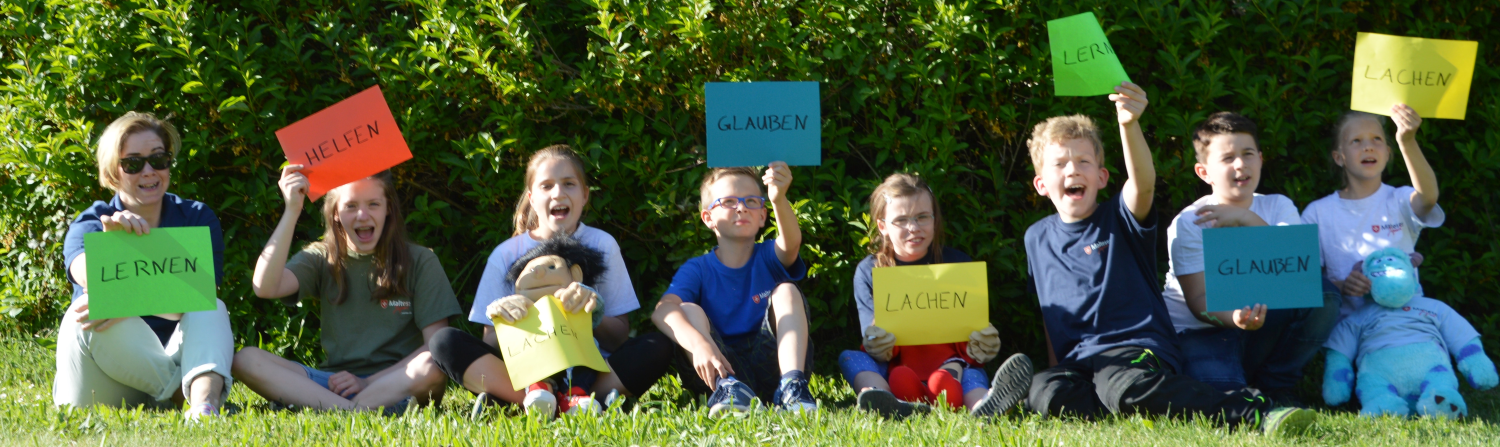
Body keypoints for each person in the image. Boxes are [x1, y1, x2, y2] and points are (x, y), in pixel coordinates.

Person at [1022, 83, 1315, 434]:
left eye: (1083, 161)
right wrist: (1058, 366)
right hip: (1080, 361)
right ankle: (1110, 406)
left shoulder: (1119, 217)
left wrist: (1128, 124)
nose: (1072, 171)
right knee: (1044, 391)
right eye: (1060, 164)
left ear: (1101, 177)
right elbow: (1049, 309)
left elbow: (1143, 183)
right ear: (1041, 184)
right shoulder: (1035, 237)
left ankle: (1247, 408)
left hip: (1135, 348)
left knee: (1124, 386)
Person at [426, 145, 671, 419]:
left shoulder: (603, 244)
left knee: (657, 346)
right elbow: (492, 344)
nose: (558, 193)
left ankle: (556, 399)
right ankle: (552, 400)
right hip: (525, 370)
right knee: (443, 341)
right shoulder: (505, 254)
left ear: (585, 195)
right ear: (531, 197)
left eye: (569, 183)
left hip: (592, 369)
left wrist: (592, 311)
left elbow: (618, 339)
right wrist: (506, 318)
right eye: (546, 186)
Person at [54, 112, 234, 421]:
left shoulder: (196, 219)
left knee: (212, 306)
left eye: (158, 159)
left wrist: (127, 298)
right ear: (114, 173)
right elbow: (87, 276)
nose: (149, 171)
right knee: (85, 310)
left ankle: (202, 407)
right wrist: (116, 250)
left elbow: (200, 299)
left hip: (166, 356)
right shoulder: (92, 223)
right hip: (101, 383)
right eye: (133, 163)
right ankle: (183, 395)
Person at [232, 168, 458, 414]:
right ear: (336, 213)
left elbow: (434, 347)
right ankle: (353, 410)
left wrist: (366, 382)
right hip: (332, 385)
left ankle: (337, 408)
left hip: (398, 384)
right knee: (246, 359)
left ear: (388, 208)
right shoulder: (321, 257)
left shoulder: (421, 260)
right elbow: (264, 287)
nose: (363, 215)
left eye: (373, 204)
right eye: (350, 206)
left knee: (433, 364)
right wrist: (292, 210)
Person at [1160, 112, 1339, 404]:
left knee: (1324, 294)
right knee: (1224, 398)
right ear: (1204, 172)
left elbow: (1298, 273)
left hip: (1260, 321)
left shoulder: (1279, 206)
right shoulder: (1190, 222)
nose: (1240, 164)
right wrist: (1233, 318)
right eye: (1227, 158)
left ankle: (1276, 384)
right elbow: (1197, 301)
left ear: (1260, 158)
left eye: (1248, 154)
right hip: (1201, 330)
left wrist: (1246, 218)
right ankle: (1242, 385)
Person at [838, 173, 1032, 419]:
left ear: (934, 219)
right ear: (883, 226)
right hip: (894, 367)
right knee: (851, 358)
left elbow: (971, 333)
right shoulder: (870, 270)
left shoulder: (958, 264)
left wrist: (982, 342)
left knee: (970, 371)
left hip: (951, 368)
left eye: (922, 217)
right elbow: (872, 340)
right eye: (901, 220)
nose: (914, 228)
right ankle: (880, 397)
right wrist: (877, 340)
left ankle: (984, 404)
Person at [651, 163, 816, 415]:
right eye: (728, 201)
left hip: (774, 364)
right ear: (708, 218)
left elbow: (791, 243)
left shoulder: (769, 257)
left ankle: (793, 387)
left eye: (751, 201)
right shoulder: (698, 269)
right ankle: (729, 391)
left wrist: (778, 198)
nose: (741, 207)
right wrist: (699, 345)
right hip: (721, 366)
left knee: (787, 291)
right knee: (686, 309)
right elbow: (662, 311)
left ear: (763, 216)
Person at [1301, 104, 1442, 319]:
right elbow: (1304, 282)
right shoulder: (1318, 213)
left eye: (1377, 139)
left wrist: (1407, 141)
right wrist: (1342, 286)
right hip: (1352, 334)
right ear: (1339, 158)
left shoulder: (1400, 199)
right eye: (1356, 141)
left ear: (1387, 153)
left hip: (1410, 323)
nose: (1368, 147)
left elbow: (1429, 198)